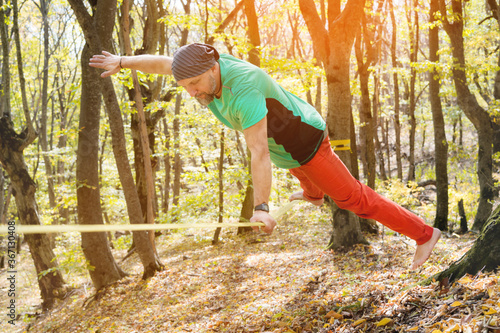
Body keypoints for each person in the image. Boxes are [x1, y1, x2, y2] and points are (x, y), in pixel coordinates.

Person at [89, 43, 441, 270]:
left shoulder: (244, 88)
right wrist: (123, 61)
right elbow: (165, 63)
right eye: (186, 86)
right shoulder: (199, 64)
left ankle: (424, 234)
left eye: (195, 83)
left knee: (353, 199)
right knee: (305, 179)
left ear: (214, 69)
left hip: (307, 144)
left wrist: (261, 208)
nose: (192, 91)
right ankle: (313, 193)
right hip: (288, 151)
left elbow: (258, 152)